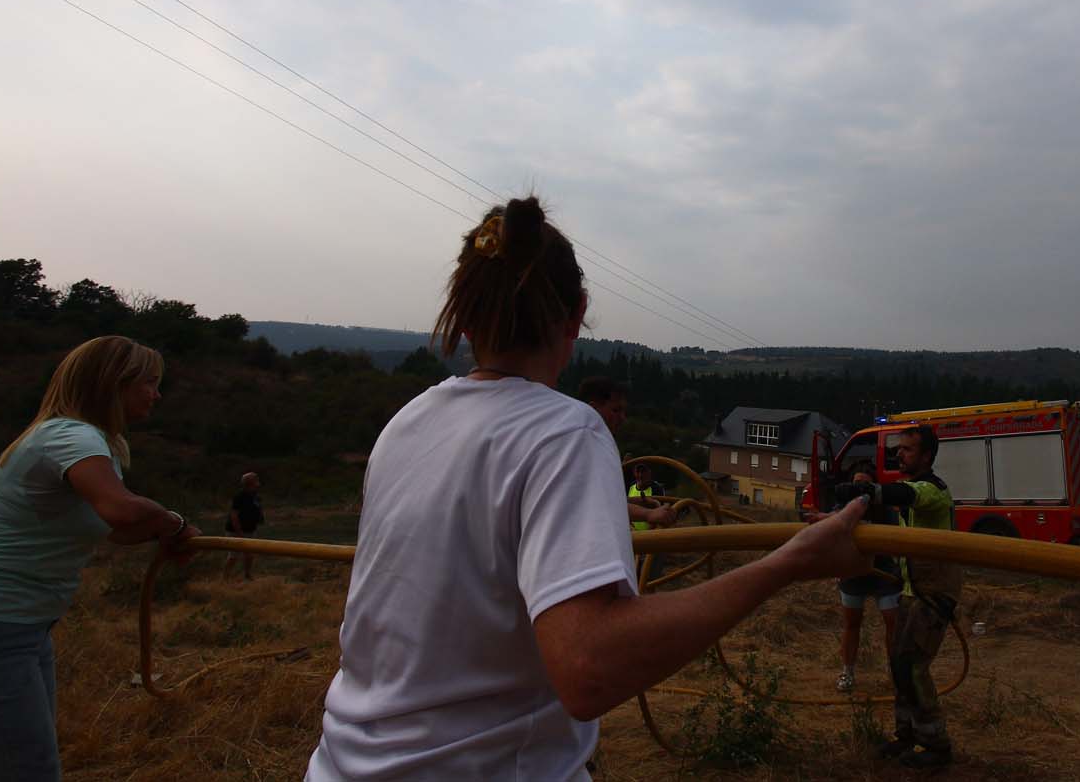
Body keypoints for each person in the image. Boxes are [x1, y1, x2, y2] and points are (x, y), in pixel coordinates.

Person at [304, 197, 870, 781]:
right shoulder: (564, 431)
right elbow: (589, 666)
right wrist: (788, 564)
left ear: (466, 318)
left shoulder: (406, 423)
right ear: (576, 315)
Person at [0, 336, 201, 781]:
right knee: (29, 772)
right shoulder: (72, 435)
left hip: (13, 629)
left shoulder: (82, 440)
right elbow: (123, 509)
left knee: (29, 766)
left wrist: (159, 532)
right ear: (114, 384)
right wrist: (173, 522)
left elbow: (112, 528)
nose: (157, 393)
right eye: (149, 382)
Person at [836, 425, 962, 770]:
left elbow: (906, 494)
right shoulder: (913, 490)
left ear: (926, 456)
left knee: (915, 667)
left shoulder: (933, 491)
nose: (899, 454)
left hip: (933, 594)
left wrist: (866, 491)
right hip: (911, 591)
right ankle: (905, 735)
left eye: (907, 450)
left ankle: (936, 744)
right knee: (900, 664)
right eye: (899, 448)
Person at [834, 462, 902, 693]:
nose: (860, 489)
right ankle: (847, 672)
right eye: (856, 484)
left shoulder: (886, 510)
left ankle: (895, 674)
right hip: (853, 575)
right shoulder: (842, 509)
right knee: (852, 624)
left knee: (893, 623)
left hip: (883, 574)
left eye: (865, 484)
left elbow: (898, 539)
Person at [579, 376, 676, 530]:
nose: (623, 418)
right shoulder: (585, 449)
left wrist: (639, 502)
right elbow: (600, 503)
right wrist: (648, 514)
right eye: (616, 410)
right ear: (593, 410)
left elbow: (607, 498)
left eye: (624, 411)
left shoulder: (593, 443)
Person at [223, 471, 265, 581]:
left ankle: (247, 575)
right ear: (250, 483)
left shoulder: (255, 495)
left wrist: (259, 519)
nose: (258, 483)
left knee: (249, 555)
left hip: (250, 530)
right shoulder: (239, 497)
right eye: (256, 481)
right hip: (235, 531)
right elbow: (234, 516)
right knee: (233, 556)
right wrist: (239, 532)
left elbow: (258, 509)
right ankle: (225, 578)